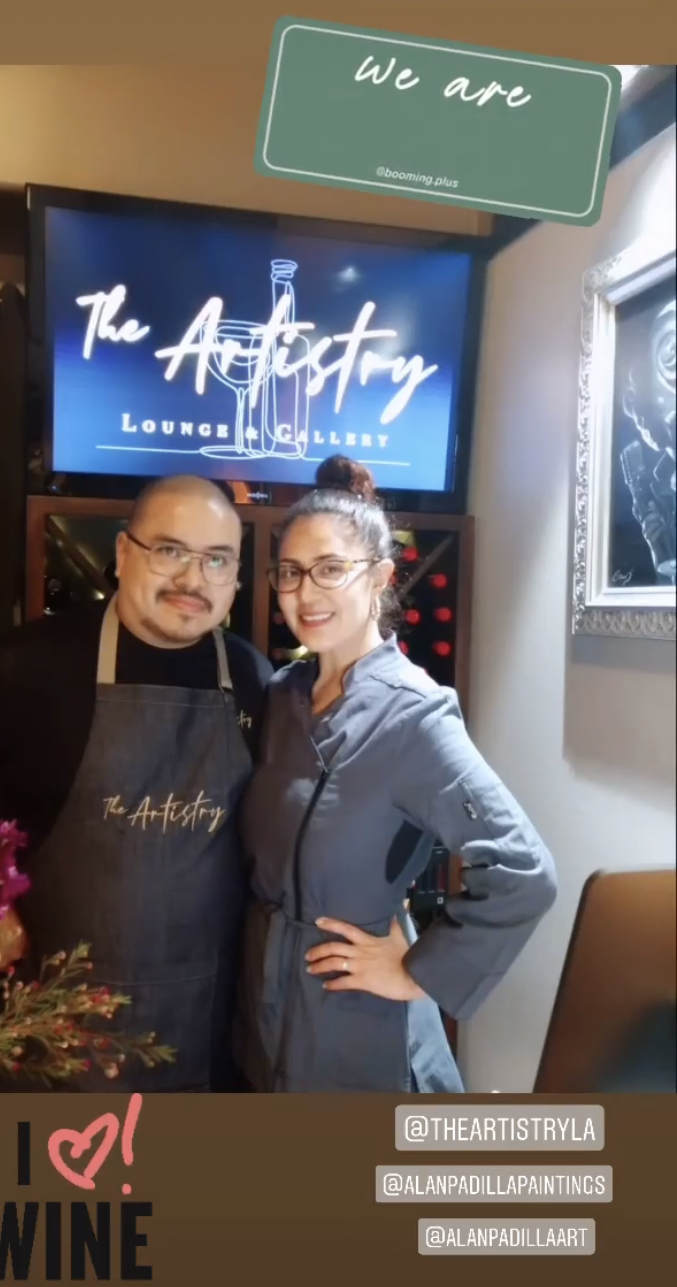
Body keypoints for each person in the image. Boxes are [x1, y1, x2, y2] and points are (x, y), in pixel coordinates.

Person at [0, 475, 272, 1092]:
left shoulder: (254, 679)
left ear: (236, 577)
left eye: (216, 560)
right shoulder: (23, 669)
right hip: (49, 1021)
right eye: (169, 550)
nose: (192, 579)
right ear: (123, 552)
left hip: (204, 1024)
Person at [235, 456, 557, 1093]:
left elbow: (523, 871)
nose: (306, 593)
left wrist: (418, 971)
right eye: (291, 572)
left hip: (358, 1022)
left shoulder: (415, 715)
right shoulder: (282, 695)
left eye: (331, 569)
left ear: (380, 577)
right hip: (265, 1009)